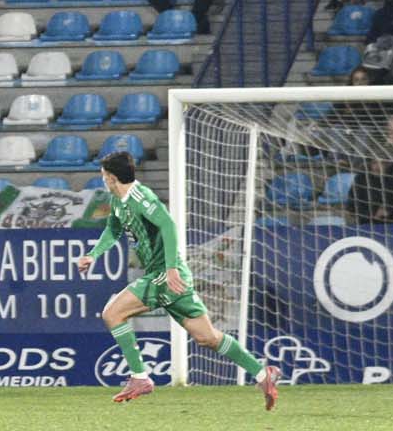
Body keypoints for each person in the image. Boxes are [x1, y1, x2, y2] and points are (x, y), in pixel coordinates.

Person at [78, 149, 280, 406]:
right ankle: (263, 374)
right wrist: (93, 255)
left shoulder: (142, 198)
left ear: (110, 177)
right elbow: (113, 228)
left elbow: (168, 225)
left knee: (112, 313)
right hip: (169, 277)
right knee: (206, 337)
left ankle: (140, 377)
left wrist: (171, 267)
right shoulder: (118, 200)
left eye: (104, 173)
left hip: (165, 274)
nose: (102, 177)